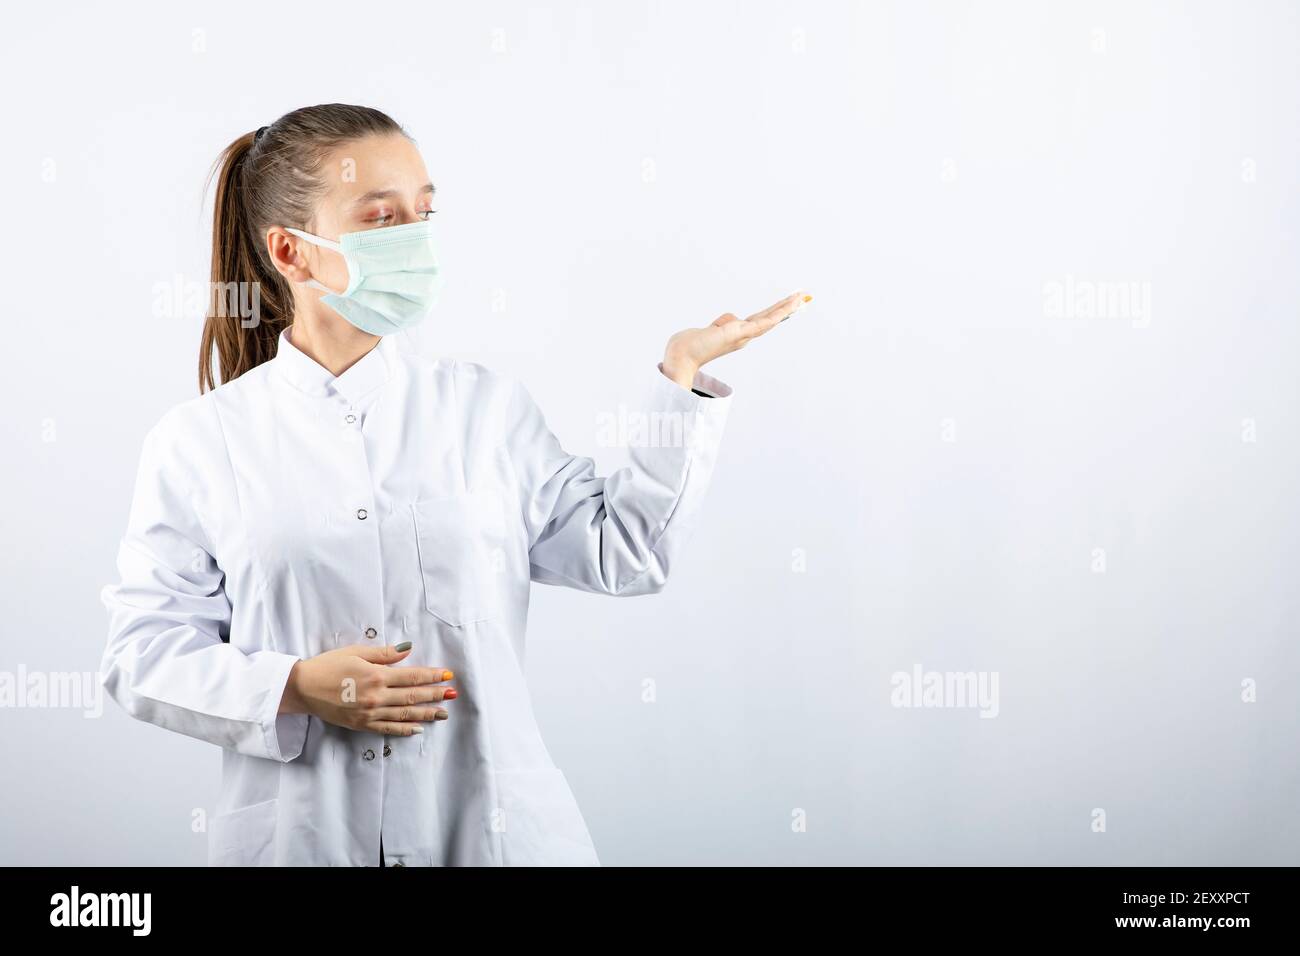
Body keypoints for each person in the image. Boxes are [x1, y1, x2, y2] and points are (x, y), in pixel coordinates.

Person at [99, 103, 811, 866]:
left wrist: (682, 380)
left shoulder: (484, 410)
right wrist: (298, 687)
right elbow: (142, 655)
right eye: (382, 218)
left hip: (492, 835)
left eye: (423, 212)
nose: (415, 237)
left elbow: (626, 554)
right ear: (290, 252)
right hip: (303, 839)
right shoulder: (201, 442)